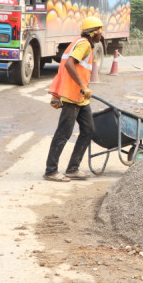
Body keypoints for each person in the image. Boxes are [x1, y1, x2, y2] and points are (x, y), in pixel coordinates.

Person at [44, 16, 104, 182]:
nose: (101, 35)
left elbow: (62, 71)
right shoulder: (83, 44)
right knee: (63, 133)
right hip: (73, 96)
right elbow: (68, 65)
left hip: (81, 98)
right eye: (100, 31)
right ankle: (51, 171)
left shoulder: (79, 43)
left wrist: (56, 94)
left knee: (88, 130)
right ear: (93, 33)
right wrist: (83, 86)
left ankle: (72, 169)